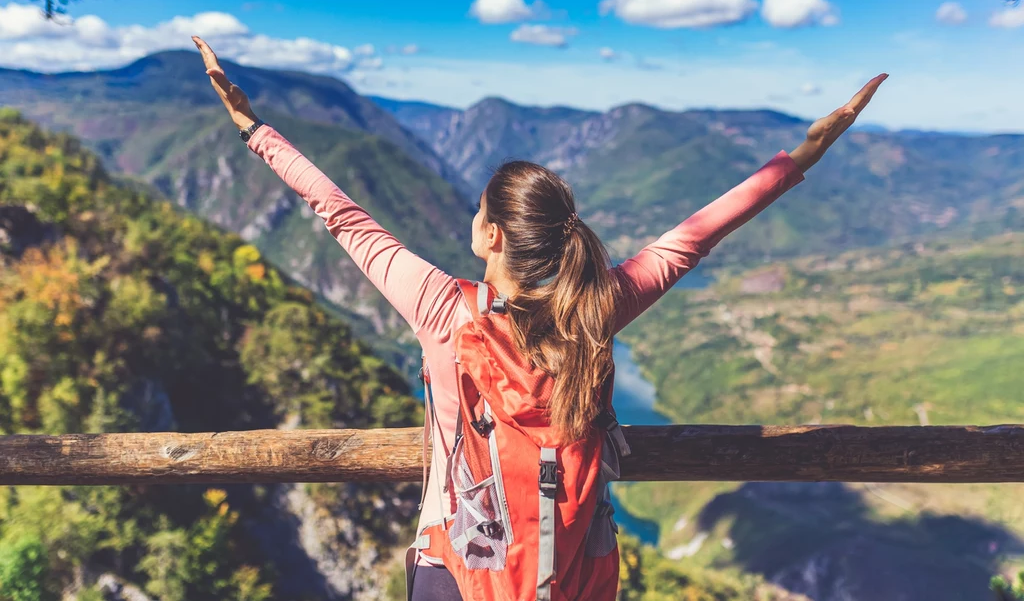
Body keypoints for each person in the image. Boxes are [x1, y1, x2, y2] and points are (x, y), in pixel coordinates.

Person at [192, 34, 886, 601]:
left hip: (456, 572)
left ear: (492, 235)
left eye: (478, 211)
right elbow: (691, 239)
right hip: (573, 577)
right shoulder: (594, 310)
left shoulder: (441, 307)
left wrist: (253, 127)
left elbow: (338, 212)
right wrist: (803, 154)